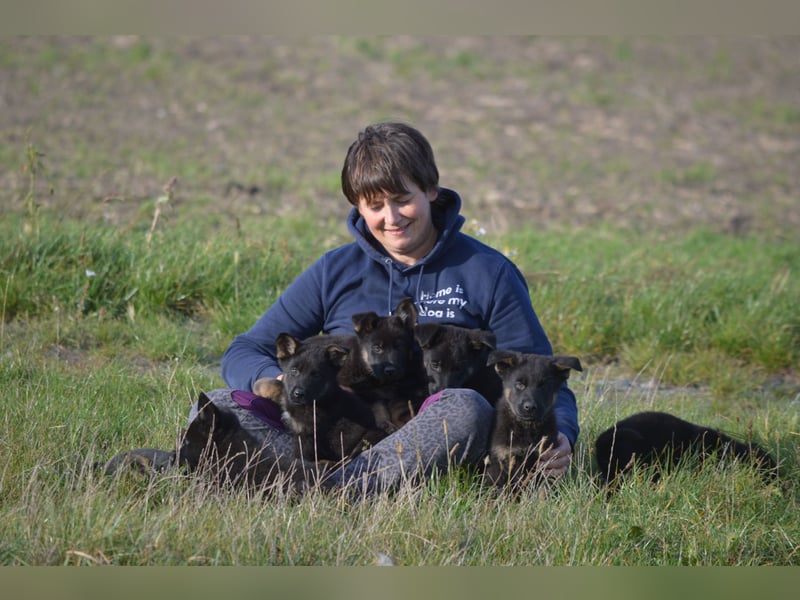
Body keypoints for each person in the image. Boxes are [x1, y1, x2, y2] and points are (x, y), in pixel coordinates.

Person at [213, 121, 579, 496]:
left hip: (435, 438)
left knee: (465, 407)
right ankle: (295, 477)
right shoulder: (334, 271)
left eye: (402, 199)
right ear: (358, 206)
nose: (392, 218)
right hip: (335, 432)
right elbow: (244, 350)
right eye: (374, 206)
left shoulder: (488, 272)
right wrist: (271, 380)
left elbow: (538, 370)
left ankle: (321, 486)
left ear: (431, 190)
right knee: (222, 403)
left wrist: (562, 433)